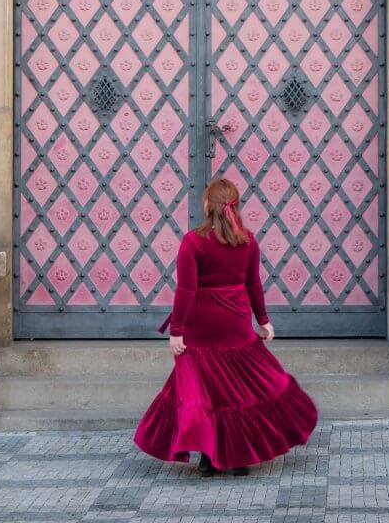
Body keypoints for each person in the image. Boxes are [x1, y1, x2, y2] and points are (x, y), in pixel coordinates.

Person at [133, 176, 318, 476]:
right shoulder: (248, 241)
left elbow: (186, 291)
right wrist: (264, 321)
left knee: (206, 392)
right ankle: (239, 457)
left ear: (207, 205)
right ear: (236, 206)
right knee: (238, 392)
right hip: (235, 327)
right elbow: (254, 285)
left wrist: (176, 331)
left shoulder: (193, 241)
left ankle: (209, 458)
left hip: (200, 329)